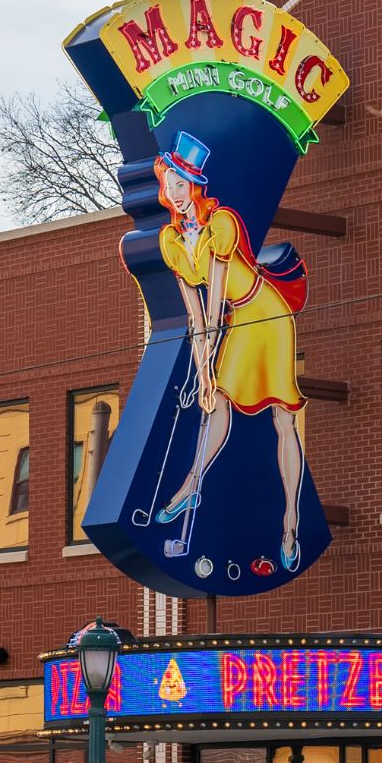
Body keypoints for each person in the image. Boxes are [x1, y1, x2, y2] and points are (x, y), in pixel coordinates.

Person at [150, 132, 308, 571]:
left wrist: (209, 367)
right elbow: (195, 319)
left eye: (184, 184)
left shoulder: (221, 224)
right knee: (215, 401)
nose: (177, 194)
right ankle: (189, 486)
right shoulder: (171, 242)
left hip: (264, 313)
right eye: (171, 185)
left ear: (196, 185)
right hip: (233, 319)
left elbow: (216, 301)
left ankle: (291, 521)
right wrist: (202, 376)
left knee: (282, 416)